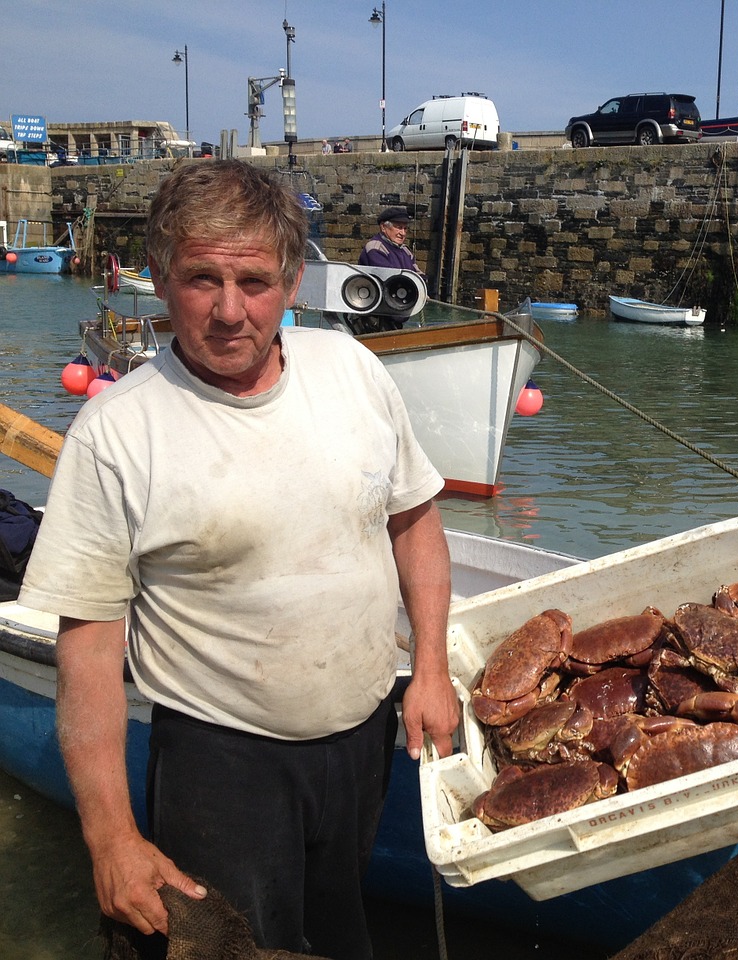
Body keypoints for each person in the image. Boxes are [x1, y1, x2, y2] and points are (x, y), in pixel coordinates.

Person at [20, 160, 459, 960]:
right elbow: (86, 648)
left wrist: (429, 665)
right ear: (159, 279)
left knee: (338, 935)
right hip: (222, 764)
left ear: (292, 281)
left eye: (254, 282)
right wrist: (112, 838)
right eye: (202, 280)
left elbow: (414, 520)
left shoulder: (351, 369)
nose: (229, 311)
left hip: (362, 737)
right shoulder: (118, 434)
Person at [358, 204, 423, 274]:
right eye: (399, 227)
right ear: (383, 227)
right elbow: (388, 277)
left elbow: (418, 275)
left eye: (405, 228)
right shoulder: (375, 248)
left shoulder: (406, 251)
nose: (403, 233)